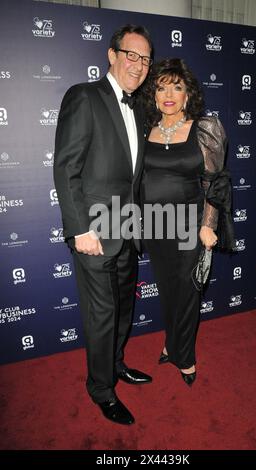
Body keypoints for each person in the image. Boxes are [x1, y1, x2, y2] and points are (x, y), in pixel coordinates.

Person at [54, 24, 153, 426]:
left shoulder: (140, 107)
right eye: (132, 55)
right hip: (93, 233)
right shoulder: (84, 97)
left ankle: (116, 365)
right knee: (101, 315)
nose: (139, 65)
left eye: (145, 59)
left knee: (124, 310)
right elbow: (67, 168)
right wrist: (81, 231)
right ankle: (100, 389)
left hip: (129, 229)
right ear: (111, 56)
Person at [141, 58, 234, 386]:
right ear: (153, 94)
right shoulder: (145, 128)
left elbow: (213, 181)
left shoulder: (204, 128)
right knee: (168, 291)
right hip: (155, 225)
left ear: (187, 95)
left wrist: (209, 224)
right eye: (162, 87)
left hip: (190, 225)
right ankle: (170, 342)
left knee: (188, 292)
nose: (168, 93)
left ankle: (185, 356)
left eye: (176, 87)